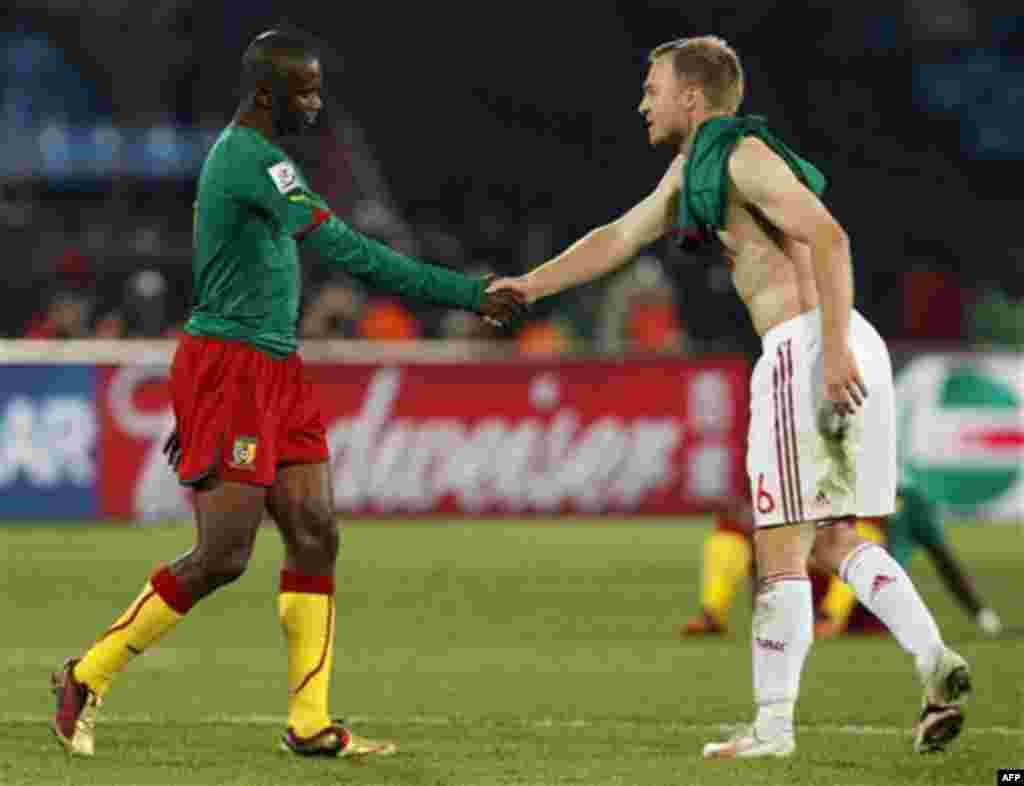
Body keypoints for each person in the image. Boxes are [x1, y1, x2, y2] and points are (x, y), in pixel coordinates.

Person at [487, 35, 970, 757]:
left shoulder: (740, 156)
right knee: (835, 537)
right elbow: (617, 237)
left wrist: (830, 350)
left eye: (652, 88)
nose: (641, 102)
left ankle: (773, 728)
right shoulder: (702, 165)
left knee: (778, 543)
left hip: (809, 348)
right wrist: (532, 285)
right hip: (836, 341)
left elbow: (831, 238)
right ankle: (935, 664)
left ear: (691, 95)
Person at [51, 29, 526, 760]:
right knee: (222, 556)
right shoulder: (250, 159)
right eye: (305, 90)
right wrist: (465, 292)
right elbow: (345, 248)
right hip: (231, 366)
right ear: (268, 93)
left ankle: (309, 723)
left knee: (315, 530)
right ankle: (86, 677)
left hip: (276, 367)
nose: (316, 102)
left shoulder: (264, 160)